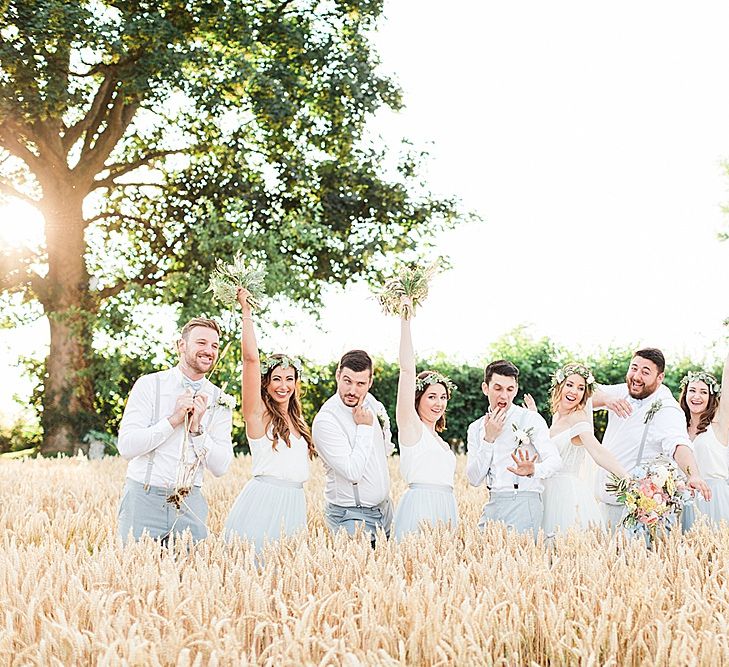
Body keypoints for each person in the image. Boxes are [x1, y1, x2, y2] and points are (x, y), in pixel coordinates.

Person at [117, 317, 234, 544]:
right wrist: (173, 420)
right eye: (201, 343)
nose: (209, 350)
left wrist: (197, 430)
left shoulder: (220, 399)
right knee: (136, 577)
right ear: (181, 345)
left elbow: (221, 467)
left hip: (190, 504)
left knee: (193, 578)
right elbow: (127, 446)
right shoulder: (150, 384)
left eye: (215, 346)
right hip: (143, 498)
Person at [224, 288, 315, 551]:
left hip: (295, 504)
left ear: (296, 383)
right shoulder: (258, 414)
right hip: (264, 502)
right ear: (266, 383)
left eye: (289, 379)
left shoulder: (298, 422)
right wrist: (246, 311)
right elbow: (251, 360)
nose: (283, 386)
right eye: (276, 378)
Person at [592, 347, 711, 528]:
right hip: (604, 502)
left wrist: (693, 474)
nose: (637, 376)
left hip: (636, 508)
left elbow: (679, 444)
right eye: (634, 368)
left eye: (645, 372)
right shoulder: (621, 391)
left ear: (660, 377)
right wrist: (606, 399)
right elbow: (586, 394)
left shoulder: (667, 408)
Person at [525, 363, 627, 533]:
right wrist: (534, 418)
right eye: (570, 385)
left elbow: (597, 450)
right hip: (545, 491)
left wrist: (626, 477)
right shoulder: (556, 416)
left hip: (565, 495)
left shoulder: (578, 417)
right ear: (560, 386)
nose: (574, 391)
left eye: (580, 388)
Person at [466, 359, 562, 540]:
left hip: (525, 501)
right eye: (498, 388)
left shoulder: (531, 419)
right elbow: (473, 479)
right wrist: (489, 439)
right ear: (485, 388)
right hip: (493, 502)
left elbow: (555, 461)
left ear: (516, 390)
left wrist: (534, 470)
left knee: (519, 563)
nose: (504, 396)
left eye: (510, 389)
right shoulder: (476, 427)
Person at [312, 349, 394, 545]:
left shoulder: (372, 404)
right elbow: (352, 471)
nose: (353, 391)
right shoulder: (326, 421)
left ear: (370, 383)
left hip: (386, 512)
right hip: (352, 518)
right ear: (338, 375)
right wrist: (365, 428)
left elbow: (385, 450)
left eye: (360, 384)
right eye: (347, 381)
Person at [392, 300, 457, 539]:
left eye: (443, 397)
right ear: (417, 398)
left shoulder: (440, 440)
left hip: (446, 508)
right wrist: (406, 321)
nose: (439, 403)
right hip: (419, 507)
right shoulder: (411, 426)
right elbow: (407, 371)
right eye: (431, 396)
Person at [678, 350, 729, 527]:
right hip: (688, 501)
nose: (696, 396)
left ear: (711, 397)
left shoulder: (719, 424)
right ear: (685, 394)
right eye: (692, 390)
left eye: (703, 392)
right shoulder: (678, 429)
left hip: (714, 498)